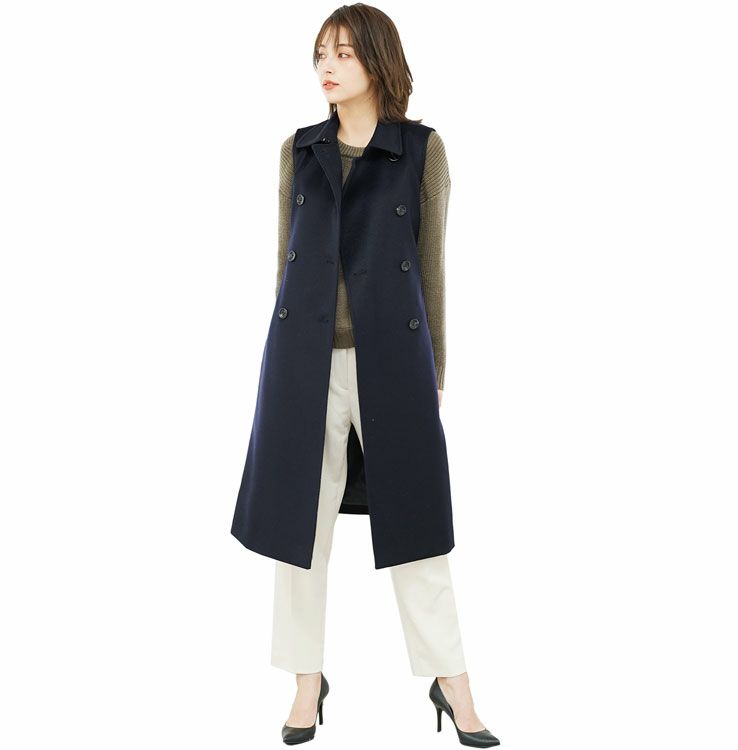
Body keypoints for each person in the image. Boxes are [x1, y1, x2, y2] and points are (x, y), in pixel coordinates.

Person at [232, 5, 500, 747]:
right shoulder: (297, 150)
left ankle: (453, 683)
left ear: (379, 61)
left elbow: (432, 268)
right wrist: (281, 362)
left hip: (395, 362)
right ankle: (305, 683)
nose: (327, 65)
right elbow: (285, 265)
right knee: (298, 529)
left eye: (344, 52)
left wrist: (434, 368)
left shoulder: (421, 150)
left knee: (419, 528)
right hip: (302, 363)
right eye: (321, 52)